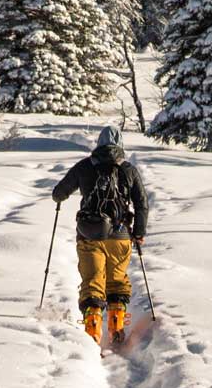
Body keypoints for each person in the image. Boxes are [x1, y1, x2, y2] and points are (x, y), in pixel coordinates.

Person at [51, 124, 149, 345]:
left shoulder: (85, 166)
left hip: (89, 234)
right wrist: (139, 232)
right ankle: (116, 324)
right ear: (120, 145)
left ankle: (93, 332)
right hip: (120, 235)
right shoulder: (128, 170)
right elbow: (142, 204)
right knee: (116, 282)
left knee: (92, 282)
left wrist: (60, 199)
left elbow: (59, 192)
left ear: (98, 144)